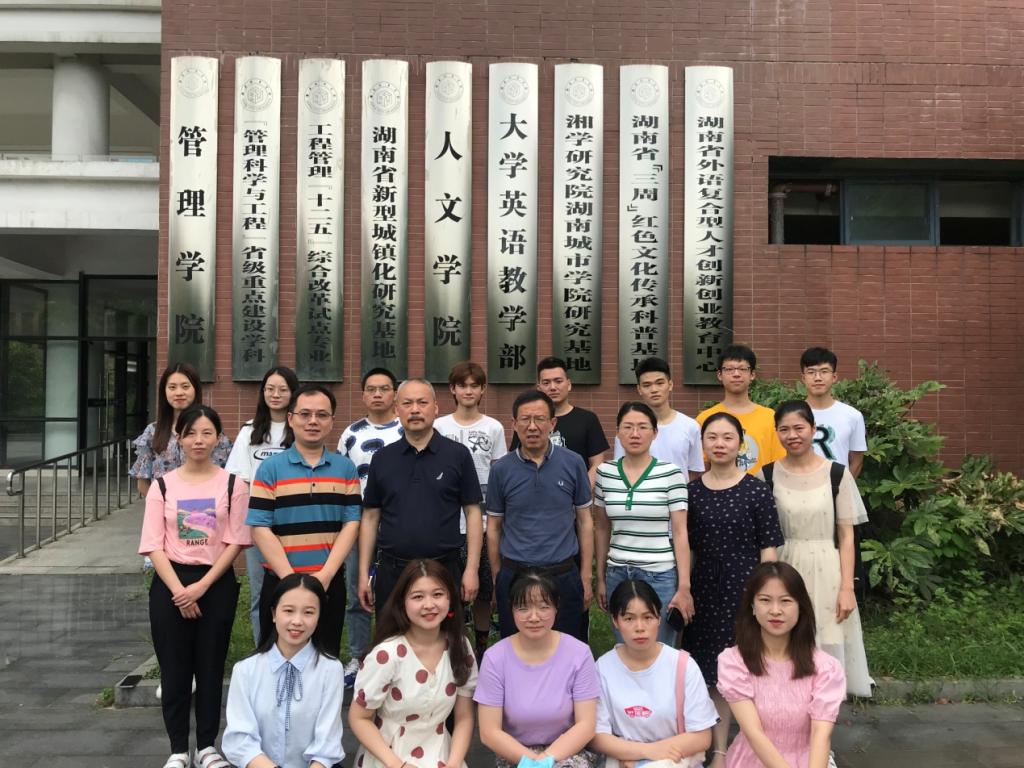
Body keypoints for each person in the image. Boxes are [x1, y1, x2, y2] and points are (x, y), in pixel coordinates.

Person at [138, 404, 250, 768]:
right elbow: (153, 544)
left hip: (215, 582)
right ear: (179, 438)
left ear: (218, 438)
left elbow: (236, 540)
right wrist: (179, 591)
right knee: (174, 669)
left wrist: (202, 586)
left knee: (210, 666)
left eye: (206, 433)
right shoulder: (162, 485)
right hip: (170, 582)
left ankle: (206, 747)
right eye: (191, 433)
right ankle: (177, 749)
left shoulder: (233, 484)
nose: (198, 440)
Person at [682, 412, 784, 768]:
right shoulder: (692, 492)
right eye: (712, 437)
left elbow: (768, 548)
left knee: (751, 667)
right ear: (703, 444)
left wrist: (765, 597)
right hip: (704, 591)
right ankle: (720, 751)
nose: (720, 444)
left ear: (740, 443)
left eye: (727, 437)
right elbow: (687, 548)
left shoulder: (756, 489)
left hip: (746, 591)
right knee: (712, 673)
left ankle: (764, 748)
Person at [763, 400, 872, 697]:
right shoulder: (767, 474)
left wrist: (847, 587)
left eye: (799, 428)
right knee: (783, 643)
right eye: (784, 429)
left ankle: (823, 721)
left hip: (828, 568)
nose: (792, 435)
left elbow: (846, 536)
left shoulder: (837, 474)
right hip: (783, 566)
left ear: (813, 429)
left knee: (826, 646)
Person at [247, 383, 361, 656]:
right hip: (279, 580)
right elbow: (260, 526)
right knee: (275, 659)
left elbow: (351, 524)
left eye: (321, 415)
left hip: (328, 582)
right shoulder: (270, 468)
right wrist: (290, 579)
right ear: (291, 419)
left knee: (325, 658)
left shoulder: (346, 469)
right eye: (305, 414)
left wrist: (325, 576)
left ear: (332, 421)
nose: (313, 421)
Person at [357, 378, 483, 615]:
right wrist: (364, 573)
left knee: (445, 635)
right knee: (392, 636)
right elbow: (371, 516)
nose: (415, 410)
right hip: (393, 571)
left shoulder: (457, 455)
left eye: (422, 403)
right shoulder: (382, 458)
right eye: (407, 403)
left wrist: (471, 569)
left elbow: (473, 512)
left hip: (444, 568)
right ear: (397, 409)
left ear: (435, 408)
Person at [349, 559, 478, 768]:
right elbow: (359, 718)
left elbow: (464, 717)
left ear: (450, 599)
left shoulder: (460, 646)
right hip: (389, 758)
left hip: (443, 755)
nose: (429, 605)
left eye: (438, 594)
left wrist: (454, 763)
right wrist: (398, 765)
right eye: (418, 596)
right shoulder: (387, 655)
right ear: (402, 603)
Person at [487, 390, 593, 642]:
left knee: (566, 647)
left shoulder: (574, 462)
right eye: (525, 419)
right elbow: (494, 526)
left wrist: (586, 575)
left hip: (562, 573)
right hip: (515, 574)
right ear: (514, 424)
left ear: (552, 423)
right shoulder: (501, 469)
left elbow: (585, 521)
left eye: (540, 419)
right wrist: (497, 577)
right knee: (516, 648)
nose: (532, 426)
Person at [717, 562, 846, 768]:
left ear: (800, 607)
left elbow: (820, 735)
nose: (775, 611)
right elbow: (754, 733)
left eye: (786, 601)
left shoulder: (826, 668)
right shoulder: (734, 662)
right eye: (765, 600)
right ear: (752, 606)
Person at [475, 570, 601, 768]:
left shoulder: (579, 653)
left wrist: (546, 759)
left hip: (568, 752)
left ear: (556, 607)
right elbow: (489, 731)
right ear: (511, 610)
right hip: (515, 754)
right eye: (523, 608)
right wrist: (531, 762)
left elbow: (586, 724)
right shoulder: (495, 658)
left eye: (543, 607)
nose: (534, 617)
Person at [223, 573, 345, 768]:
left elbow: (327, 743)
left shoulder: (331, 670)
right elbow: (240, 741)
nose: (297, 621)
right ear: (274, 614)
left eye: (308, 612)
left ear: (319, 616)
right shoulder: (245, 670)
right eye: (288, 610)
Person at [592, 580, 717, 768]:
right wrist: (646, 752)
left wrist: (650, 758)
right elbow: (598, 736)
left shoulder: (683, 665)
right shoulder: (603, 668)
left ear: (659, 618)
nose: (639, 627)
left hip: (675, 761)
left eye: (648, 617)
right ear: (615, 621)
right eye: (629, 619)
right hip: (623, 761)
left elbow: (701, 736)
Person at [594, 402, 691, 644]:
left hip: (659, 574)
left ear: (654, 433)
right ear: (618, 432)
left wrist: (684, 586)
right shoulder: (605, 473)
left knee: (661, 647)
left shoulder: (671, 473)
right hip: (618, 573)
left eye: (642, 427)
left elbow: (680, 531)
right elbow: (602, 527)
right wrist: (601, 578)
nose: (634, 434)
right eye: (627, 427)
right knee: (624, 646)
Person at [434, 360, 508, 659]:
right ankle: (453, 645)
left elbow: (499, 473)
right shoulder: (439, 426)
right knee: (449, 588)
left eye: (474, 386)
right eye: (462, 385)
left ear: (482, 390)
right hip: (447, 521)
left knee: (483, 589)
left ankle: (481, 647)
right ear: (452, 389)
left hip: (484, 519)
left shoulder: (493, 427)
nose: (468, 391)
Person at [337, 367, 405, 687]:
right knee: (357, 590)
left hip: (399, 521)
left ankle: (398, 654)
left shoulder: (407, 429)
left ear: (395, 394)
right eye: (371, 389)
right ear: (363, 395)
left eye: (384, 388)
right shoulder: (350, 434)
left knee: (399, 591)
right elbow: (342, 479)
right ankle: (358, 656)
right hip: (358, 522)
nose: (378, 394)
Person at [226, 365, 299, 645]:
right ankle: (263, 650)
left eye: (282, 389)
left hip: (295, 523)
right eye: (270, 389)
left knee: (296, 588)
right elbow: (240, 481)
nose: (275, 394)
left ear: (293, 393)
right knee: (261, 592)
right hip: (261, 525)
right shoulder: (249, 431)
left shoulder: (301, 427)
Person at [131, 362, 231, 496]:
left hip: (205, 505)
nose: (179, 393)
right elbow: (143, 482)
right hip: (163, 506)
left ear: (195, 389)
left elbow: (224, 475)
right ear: (164, 391)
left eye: (185, 386)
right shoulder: (152, 431)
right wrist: (161, 505)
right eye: (172, 387)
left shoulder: (211, 429)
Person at [510, 356, 609, 489]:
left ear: (568, 384)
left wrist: (581, 493)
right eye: (546, 383)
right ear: (539, 387)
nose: (553, 387)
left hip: (574, 495)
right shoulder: (528, 423)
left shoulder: (588, 419)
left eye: (558, 381)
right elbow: (515, 460)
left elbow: (597, 464)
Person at [695, 346, 784, 475]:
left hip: (762, 486)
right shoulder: (704, 419)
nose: (736, 374)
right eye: (729, 369)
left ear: (752, 374)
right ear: (719, 375)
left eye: (742, 369)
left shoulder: (771, 418)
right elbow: (701, 468)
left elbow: (780, 463)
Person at [614, 357, 704, 481]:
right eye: (647, 385)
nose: (654, 390)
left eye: (660, 383)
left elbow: (694, 472)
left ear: (670, 385)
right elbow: (620, 469)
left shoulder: (690, 426)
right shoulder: (629, 429)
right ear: (639, 389)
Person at [800, 347, 867, 478]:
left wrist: (843, 487)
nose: (817, 378)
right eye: (811, 372)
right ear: (803, 378)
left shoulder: (853, 416)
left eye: (824, 371)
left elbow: (857, 461)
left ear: (834, 377)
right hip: (798, 486)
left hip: (837, 487)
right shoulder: (791, 415)